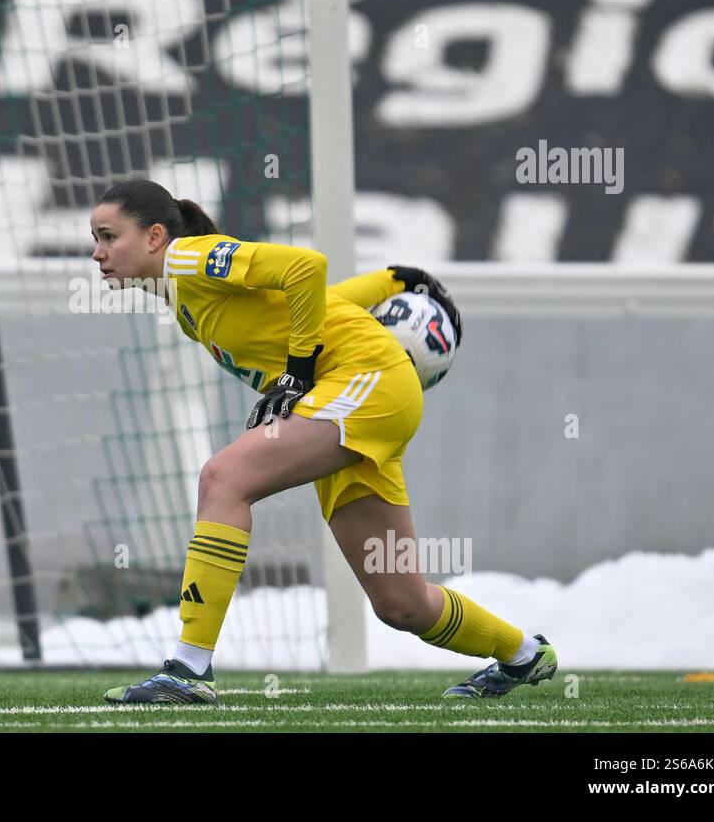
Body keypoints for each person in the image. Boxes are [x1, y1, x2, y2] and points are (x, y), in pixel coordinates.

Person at [88, 179, 557, 703]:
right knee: (400, 601)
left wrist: (296, 372)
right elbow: (318, 303)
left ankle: (187, 671)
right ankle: (523, 655)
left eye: (109, 236)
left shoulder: (187, 258)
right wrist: (387, 282)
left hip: (365, 380)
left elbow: (303, 268)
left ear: (155, 237)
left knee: (223, 478)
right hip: (360, 396)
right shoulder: (186, 305)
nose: (97, 252)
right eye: (96, 238)